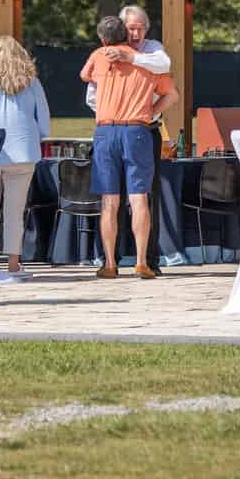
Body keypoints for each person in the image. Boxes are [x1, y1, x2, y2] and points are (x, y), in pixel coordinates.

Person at [79, 14, 177, 280]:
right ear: (127, 35)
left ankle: (110, 263)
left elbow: (84, 75)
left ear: (103, 39)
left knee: (109, 200)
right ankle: (142, 262)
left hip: (106, 131)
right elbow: (172, 95)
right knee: (139, 198)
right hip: (137, 130)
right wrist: (151, 112)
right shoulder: (149, 63)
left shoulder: (99, 55)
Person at [0, 36, 50, 275]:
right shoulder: (32, 84)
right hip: (24, 153)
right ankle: (14, 265)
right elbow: (44, 124)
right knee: (15, 211)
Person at [86, 5, 172, 159]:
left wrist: (131, 58)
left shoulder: (152, 48)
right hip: (112, 130)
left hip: (147, 129)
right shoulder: (106, 53)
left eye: (141, 28)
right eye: (131, 28)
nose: (136, 34)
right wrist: (114, 117)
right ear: (122, 29)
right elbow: (91, 96)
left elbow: (165, 66)